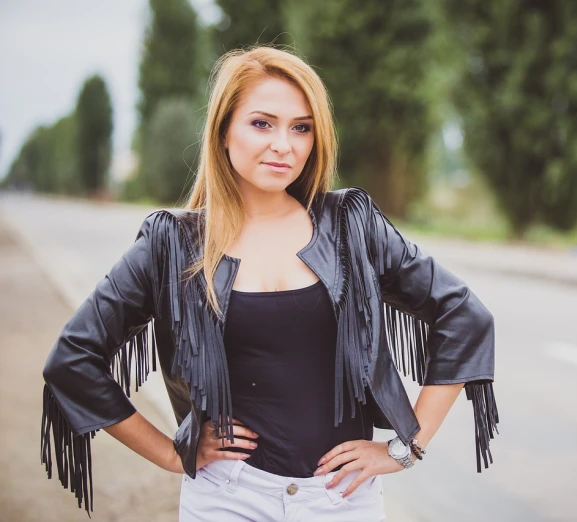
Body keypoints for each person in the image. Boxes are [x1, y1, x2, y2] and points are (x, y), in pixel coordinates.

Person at [40, 45, 498, 521]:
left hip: (342, 499)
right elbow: (73, 359)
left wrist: (407, 448)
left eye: (301, 127)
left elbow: (464, 315)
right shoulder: (172, 244)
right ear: (223, 132)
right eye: (262, 123)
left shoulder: (350, 225)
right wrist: (169, 453)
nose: (285, 144)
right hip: (228, 498)